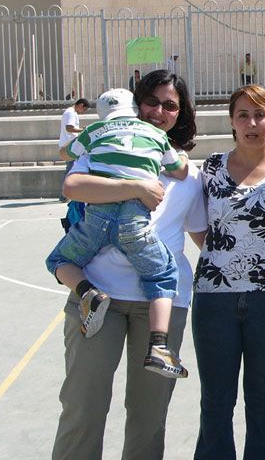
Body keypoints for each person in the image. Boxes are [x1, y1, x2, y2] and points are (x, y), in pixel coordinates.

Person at [52, 70, 207, 459]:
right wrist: (136, 186)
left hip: (160, 305)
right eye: (151, 101)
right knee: (82, 409)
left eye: (170, 105)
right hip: (97, 295)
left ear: (181, 113)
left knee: (148, 418)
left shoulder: (188, 174)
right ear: (135, 103)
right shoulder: (97, 154)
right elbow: (73, 186)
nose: (158, 111)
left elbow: (202, 236)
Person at [48, 88, 189, 378]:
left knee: (59, 260)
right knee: (162, 276)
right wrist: (181, 158)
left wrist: (82, 144)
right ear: (136, 109)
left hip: (97, 217)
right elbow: (179, 170)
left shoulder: (95, 131)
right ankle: (159, 346)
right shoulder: (157, 135)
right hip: (134, 222)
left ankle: (88, 292)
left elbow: (65, 155)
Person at [192, 84, 265, 459]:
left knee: (262, 396)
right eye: (243, 115)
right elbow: (197, 226)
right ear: (232, 122)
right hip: (214, 299)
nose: (252, 124)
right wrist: (225, 259)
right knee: (216, 399)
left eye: (260, 115)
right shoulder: (210, 168)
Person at [58, 98, 89, 199]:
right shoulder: (71, 113)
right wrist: (83, 130)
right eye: (83, 109)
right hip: (70, 146)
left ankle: (66, 194)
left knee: (72, 169)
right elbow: (69, 128)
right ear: (81, 105)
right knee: (70, 170)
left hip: (70, 145)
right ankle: (64, 195)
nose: (82, 112)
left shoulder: (71, 112)